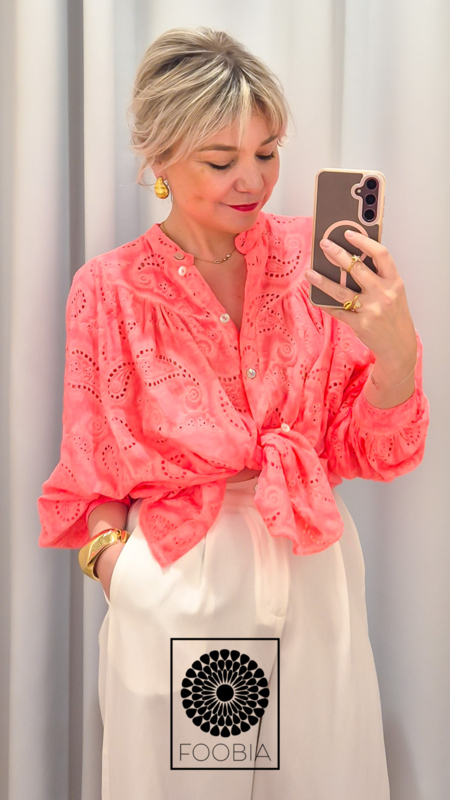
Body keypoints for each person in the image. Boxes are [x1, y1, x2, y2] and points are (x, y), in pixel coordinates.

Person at [37, 26, 429, 800]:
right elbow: (90, 470)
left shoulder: (316, 258)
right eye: (221, 161)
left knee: (325, 783)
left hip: (312, 566)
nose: (253, 179)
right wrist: (122, 573)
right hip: (183, 576)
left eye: (267, 151)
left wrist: (397, 354)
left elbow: (368, 449)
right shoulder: (110, 289)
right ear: (160, 158)